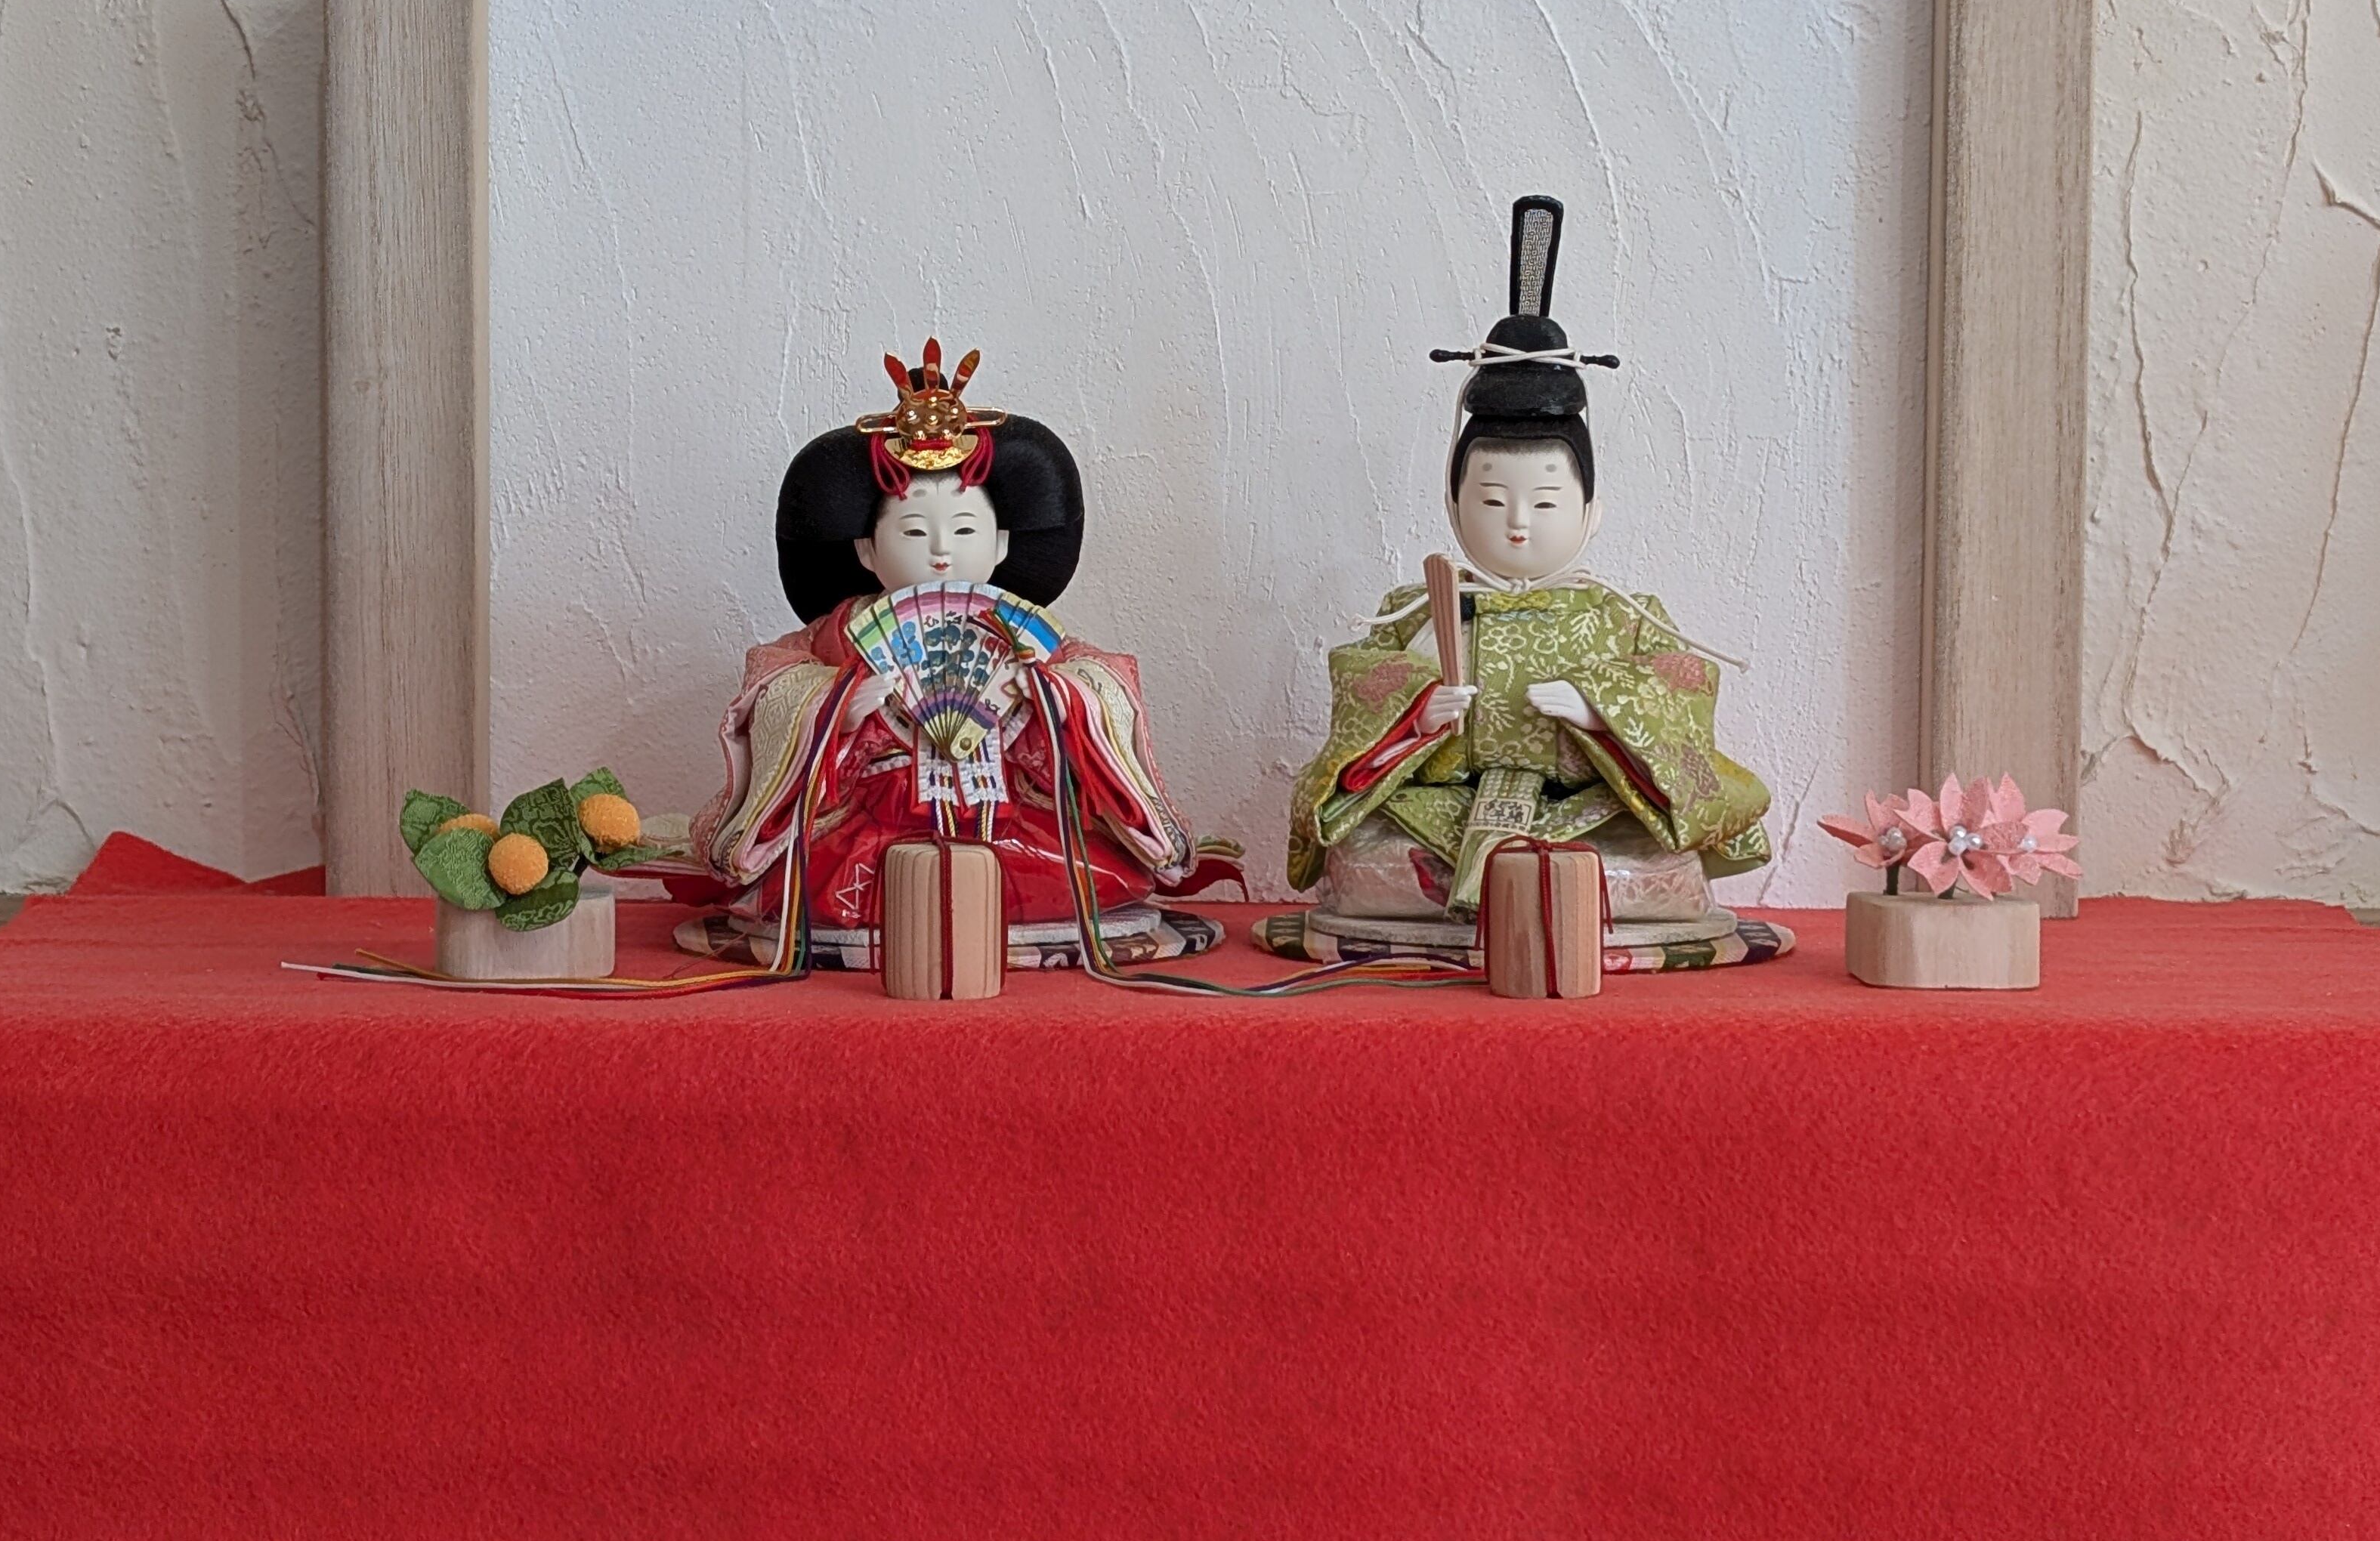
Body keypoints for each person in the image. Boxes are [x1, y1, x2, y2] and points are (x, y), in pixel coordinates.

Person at [1269, 199, 1778, 970]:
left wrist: (1602, 713)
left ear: (1592, 512)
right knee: (1370, 862)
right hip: (1441, 808)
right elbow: (1359, 691)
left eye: (1544, 503)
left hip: (1588, 811)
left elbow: (1682, 691)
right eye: (1490, 501)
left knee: (1652, 869)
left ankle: (1555, 911)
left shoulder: (1623, 614)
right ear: (1452, 505)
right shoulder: (1416, 610)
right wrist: (1416, 716)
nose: (1516, 525)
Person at [681, 343, 1232, 966]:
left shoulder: (1028, 637)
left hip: (1010, 824)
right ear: (866, 550)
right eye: (915, 531)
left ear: (1000, 545)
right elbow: (776, 690)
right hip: (877, 827)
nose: (941, 551)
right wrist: (835, 709)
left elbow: (1104, 687)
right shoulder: (829, 643)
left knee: (1087, 877)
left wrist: (1054, 698)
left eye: (966, 530)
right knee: (815, 884)